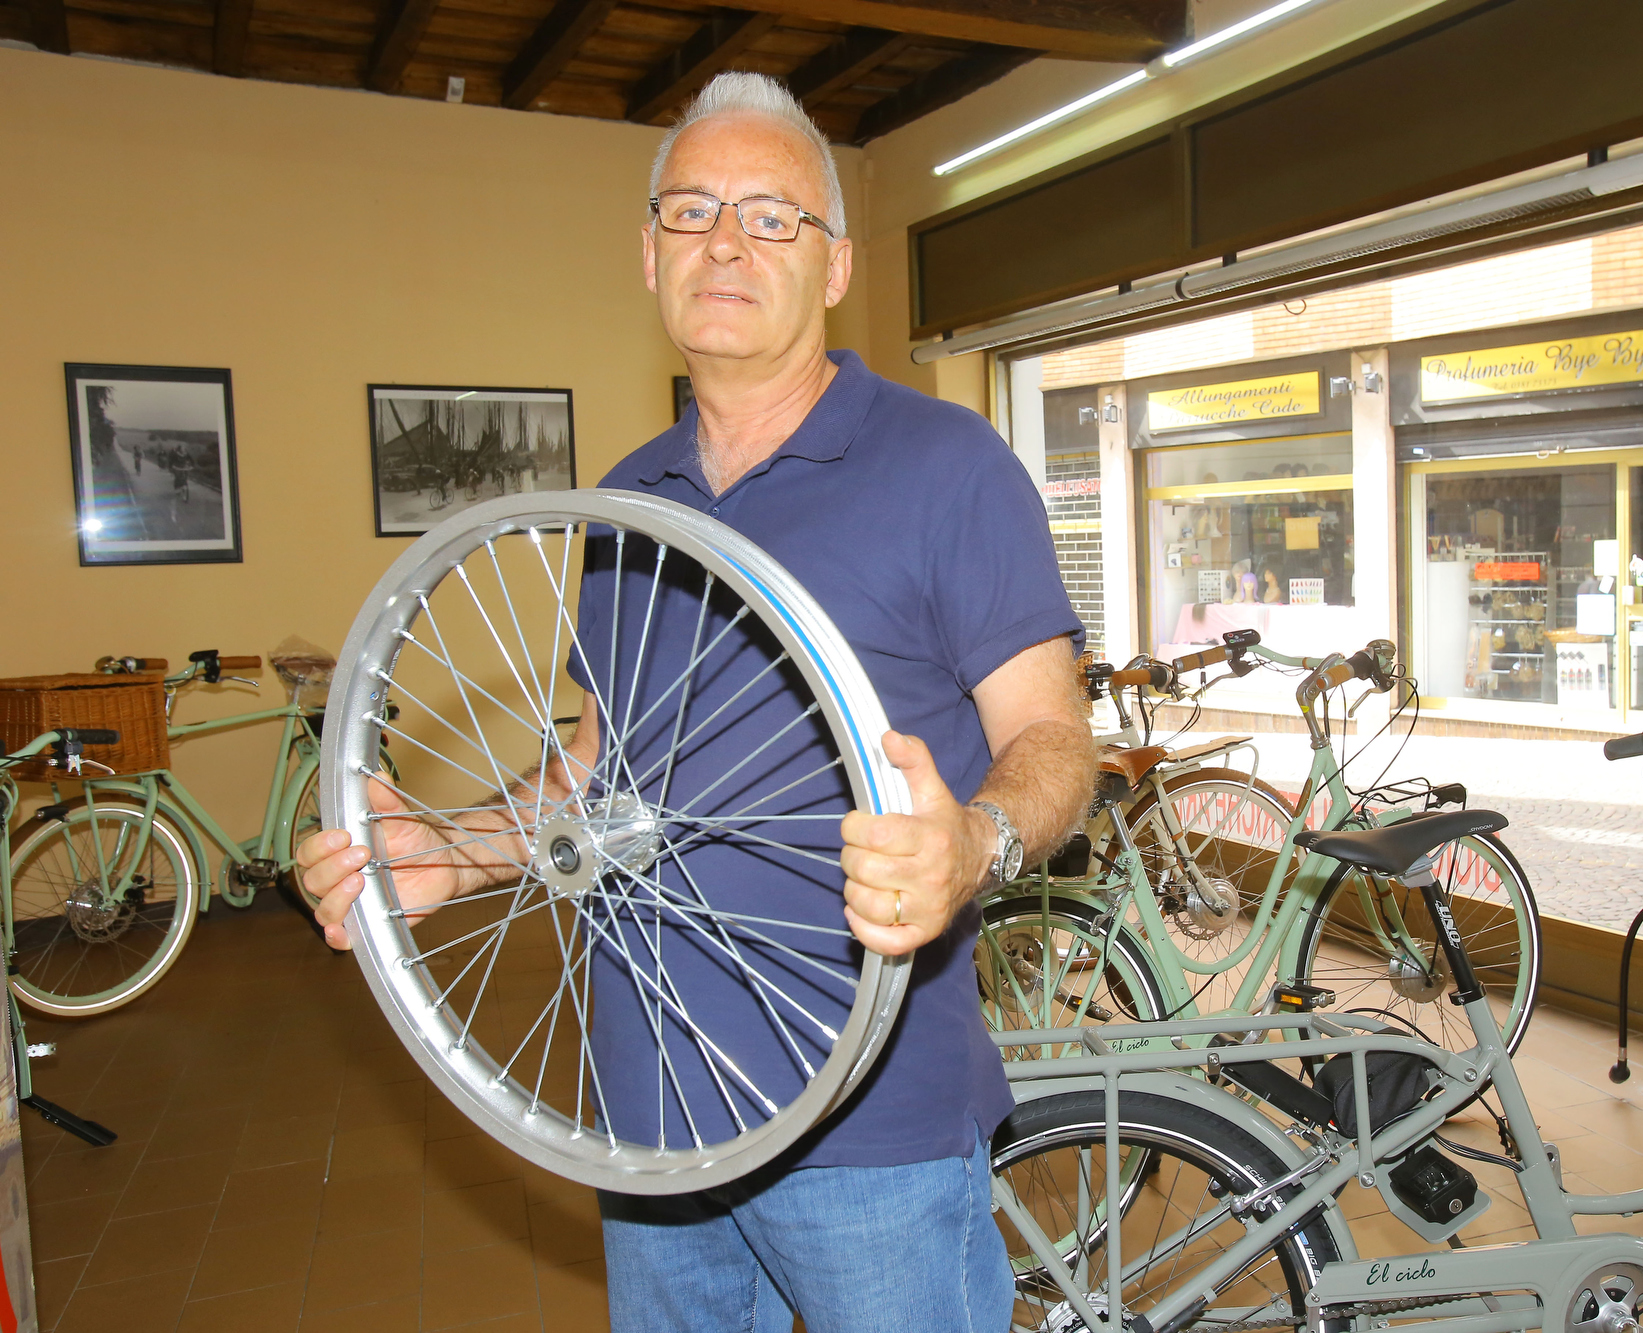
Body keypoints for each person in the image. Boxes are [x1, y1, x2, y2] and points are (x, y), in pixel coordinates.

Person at [297, 72, 1095, 1333]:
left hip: (869, 1124)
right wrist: (452, 850)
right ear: (649, 252)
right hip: (652, 1119)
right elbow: (599, 770)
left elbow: (1053, 741)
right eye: (691, 210)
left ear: (833, 267)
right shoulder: (624, 503)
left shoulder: (949, 466)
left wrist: (975, 842)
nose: (724, 242)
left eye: (771, 216)